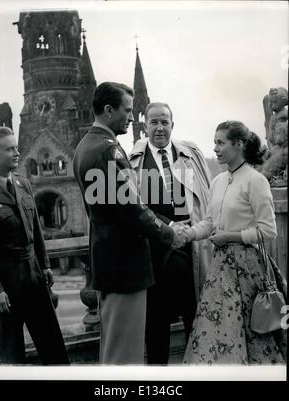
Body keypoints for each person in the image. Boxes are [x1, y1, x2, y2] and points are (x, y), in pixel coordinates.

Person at [73, 82, 187, 364]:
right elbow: (132, 208)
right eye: (126, 110)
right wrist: (168, 231)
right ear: (109, 110)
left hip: (110, 261)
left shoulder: (85, 146)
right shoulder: (108, 151)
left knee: (114, 347)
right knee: (126, 352)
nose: (130, 116)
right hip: (125, 266)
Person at [183, 120, 287, 364]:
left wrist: (230, 236)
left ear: (239, 144)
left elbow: (268, 230)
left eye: (221, 143)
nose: (216, 148)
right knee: (218, 330)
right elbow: (209, 222)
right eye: (215, 143)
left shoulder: (255, 180)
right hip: (221, 270)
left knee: (252, 331)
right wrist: (187, 234)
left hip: (249, 268)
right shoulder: (218, 181)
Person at [129, 102, 212, 364]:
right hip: (155, 254)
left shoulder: (191, 155)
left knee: (196, 318)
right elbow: (132, 209)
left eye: (165, 121)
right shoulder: (133, 162)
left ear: (172, 125)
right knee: (155, 326)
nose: (160, 127)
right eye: (154, 122)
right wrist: (165, 228)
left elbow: (207, 198)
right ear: (145, 126)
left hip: (191, 250)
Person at [0, 127, 69, 365]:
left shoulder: (23, 184)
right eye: (10, 149)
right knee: (12, 351)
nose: (17, 153)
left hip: (34, 273)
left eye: (17, 148)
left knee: (53, 344)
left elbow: (35, 230)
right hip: (6, 279)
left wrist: (45, 265)